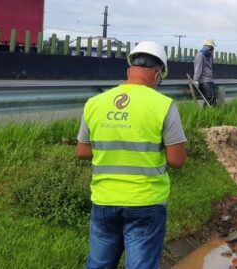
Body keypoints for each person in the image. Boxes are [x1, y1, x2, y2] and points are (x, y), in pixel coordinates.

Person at [76, 40, 187, 269]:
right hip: (145, 201)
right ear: (157, 74)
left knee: (98, 264)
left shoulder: (95, 103)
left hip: (104, 199)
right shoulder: (164, 105)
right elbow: (177, 160)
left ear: (129, 70)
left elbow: (82, 151)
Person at [193, 38, 217, 106]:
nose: (212, 50)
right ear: (207, 47)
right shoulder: (200, 55)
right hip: (203, 81)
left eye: (212, 48)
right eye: (211, 48)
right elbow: (198, 68)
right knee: (209, 97)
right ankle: (206, 112)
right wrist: (196, 80)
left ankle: (211, 112)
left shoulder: (209, 56)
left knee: (214, 97)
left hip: (209, 80)